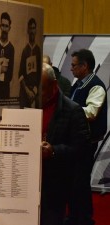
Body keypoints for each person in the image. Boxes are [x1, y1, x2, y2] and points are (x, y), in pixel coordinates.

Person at [40, 63, 91, 225]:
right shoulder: (28, 105)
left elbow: (81, 149)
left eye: (41, 88)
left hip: (56, 185)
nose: (35, 92)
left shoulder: (72, 110)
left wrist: (53, 151)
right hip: (29, 181)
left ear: (54, 85)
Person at [66, 49, 107, 225]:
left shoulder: (96, 86)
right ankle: (75, 216)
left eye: (74, 65)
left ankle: (84, 219)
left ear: (84, 66)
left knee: (80, 182)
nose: (71, 69)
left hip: (86, 142)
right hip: (76, 141)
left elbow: (91, 113)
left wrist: (68, 109)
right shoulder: (79, 84)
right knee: (73, 182)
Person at [18, 18, 41, 108]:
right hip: (25, 92)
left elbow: (39, 73)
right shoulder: (25, 50)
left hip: (35, 91)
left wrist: (34, 91)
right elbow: (20, 74)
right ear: (28, 30)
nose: (32, 31)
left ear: (36, 30)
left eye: (33, 28)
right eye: (30, 28)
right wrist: (27, 90)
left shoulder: (38, 50)